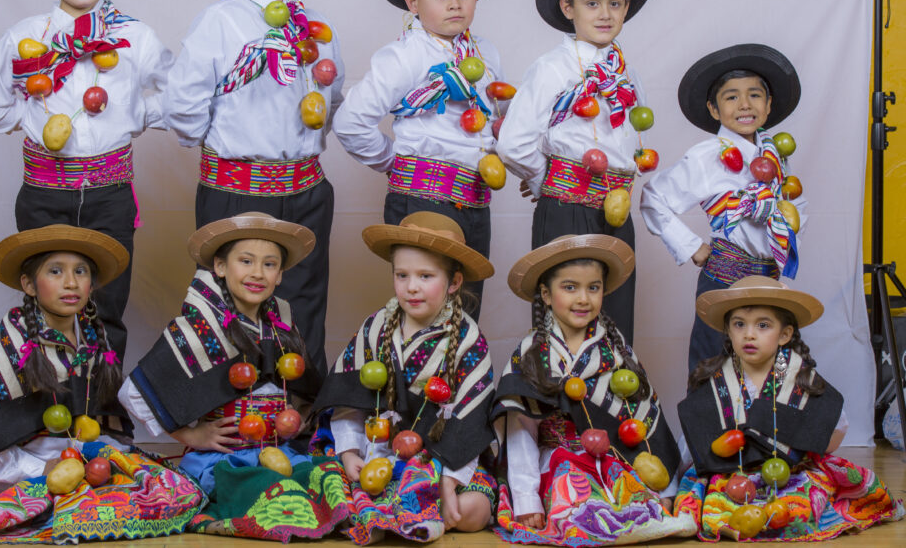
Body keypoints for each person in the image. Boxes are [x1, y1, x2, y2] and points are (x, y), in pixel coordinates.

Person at [0, 225, 203, 542]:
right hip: (23, 466)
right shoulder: (15, 347)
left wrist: (98, 452)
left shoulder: (91, 338)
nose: (71, 282)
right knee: (63, 505)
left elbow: (100, 411)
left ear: (91, 285)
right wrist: (34, 466)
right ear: (29, 284)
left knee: (169, 490)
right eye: (55, 271)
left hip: (80, 456)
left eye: (80, 271)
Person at [0, 0, 172, 359]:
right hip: (44, 192)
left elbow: (180, 95)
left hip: (110, 195)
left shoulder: (134, 37)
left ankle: (101, 416)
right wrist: (33, 116)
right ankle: (49, 413)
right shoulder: (24, 37)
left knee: (108, 306)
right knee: (46, 307)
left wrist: (134, 113)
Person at [163, 0, 343, 378]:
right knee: (230, 308)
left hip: (306, 189)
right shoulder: (219, 22)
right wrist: (221, 142)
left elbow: (334, 95)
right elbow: (183, 105)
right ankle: (230, 418)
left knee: (304, 303)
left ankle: (300, 420)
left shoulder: (317, 28)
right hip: (237, 190)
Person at [119, 212, 348, 541]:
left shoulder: (281, 328)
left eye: (269, 264)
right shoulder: (199, 328)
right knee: (266, 485)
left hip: (280, 452)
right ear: (221, 267)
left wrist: (296, 417)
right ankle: (280, 514)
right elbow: (134, 392)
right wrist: (193, 436)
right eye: (246, 261)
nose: (258, 273)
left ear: (280, 274)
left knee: (326, 476)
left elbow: (302, 390)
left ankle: (307, 514)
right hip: (224, 461)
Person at [333, 0, 506, 316]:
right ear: (413, 2)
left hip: (476, 199)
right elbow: (349, 122)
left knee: (466, 309)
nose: (454, 4)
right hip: (424, 196)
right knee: (425, 309)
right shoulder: (406, 55)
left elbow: (499, 116)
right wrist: (393, 162)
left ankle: (459, 376)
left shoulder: (486, 54)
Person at [492, 234, 696, 545]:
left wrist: (664, 489)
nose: (583, 298)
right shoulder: (532, 353)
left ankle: (632, 518)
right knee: (572, 491)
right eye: (569, 287)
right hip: (555, 461)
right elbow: (522, 430)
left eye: (593, 288)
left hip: (610, 457)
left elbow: (643, 417)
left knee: (633, 497)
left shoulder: (616, 351)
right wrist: (526, 499)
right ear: (546, 294)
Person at [497, 0, 654, 344]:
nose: (605, 13)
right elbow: (514, 143)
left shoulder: (627, 73)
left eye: (615, 3)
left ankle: (612, 402)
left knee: (617, 320)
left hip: (617, 212)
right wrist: (545, 181)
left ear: (627, 8)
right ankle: (558, 403)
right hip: (568, 210)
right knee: (566, 321)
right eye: (592, 3)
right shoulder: (554, 67)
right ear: (568, 8)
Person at [313, 212, 498, 544]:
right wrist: (350, 452)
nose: (412, 287)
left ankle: (396, 513)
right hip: (379, 449)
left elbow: (471, 421)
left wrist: (450, 479)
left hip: (440, 457)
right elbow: (347, 399)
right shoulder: (375, 328)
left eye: (426, 276)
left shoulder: (470, 341)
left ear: (454, 282)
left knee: (475, 509)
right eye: (402, 275)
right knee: (326, 481)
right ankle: (397, 513)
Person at [675, 276, 903, 540]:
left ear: (784, 334)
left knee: (801, 504)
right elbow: (696, 435)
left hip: (789, 470)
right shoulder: (717, 380)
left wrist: (800, 441)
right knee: (714, 509)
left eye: (763, 325)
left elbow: (833, 429)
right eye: (739, 324)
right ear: (728, 331)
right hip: (732, 472)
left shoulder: (800, 377)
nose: (749, 334)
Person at [640, 44, 805, 373]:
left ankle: (756, 428)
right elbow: (653, 197)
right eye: (731, 97)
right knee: (713, 368)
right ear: (714, 110)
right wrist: (692, 247)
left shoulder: (775, 155)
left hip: (768, 279)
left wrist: (783, 220)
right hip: (724, 279)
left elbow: (792, 205)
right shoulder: (707, 155)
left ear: (769, 105)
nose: (744, 105)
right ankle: (709, 427)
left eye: (755, 95)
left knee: (767, 372)